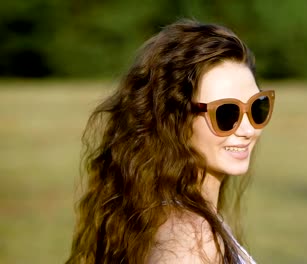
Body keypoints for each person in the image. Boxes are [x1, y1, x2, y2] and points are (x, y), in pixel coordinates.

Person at [66, 19, 275, 264]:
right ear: (174, 119)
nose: (249, 130)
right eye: (226, 113)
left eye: (257, 107)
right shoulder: (189, 243)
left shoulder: (175, 218)